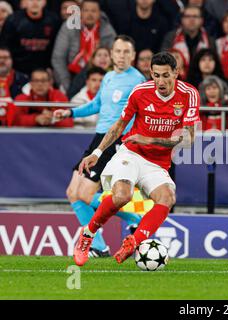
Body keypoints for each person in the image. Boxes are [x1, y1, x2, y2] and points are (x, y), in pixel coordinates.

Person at [72, 51, 200, 266]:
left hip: (158, 162)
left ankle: (134, 241)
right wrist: (97, 152)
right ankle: (88, 234)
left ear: (176, 73)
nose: (161, 81)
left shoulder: (189, 94)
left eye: (166, 75)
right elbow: (120, 126)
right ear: (151, 73)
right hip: (130, 154)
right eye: (156, 75)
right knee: (123, 196)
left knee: (167, 198)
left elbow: (188, 139)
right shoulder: (140, 92)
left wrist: (150, 140)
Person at [53, 35, 146, 257]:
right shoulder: (109, 77)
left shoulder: (138, 80)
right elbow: (97, 104)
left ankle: (135, 218)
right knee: (72, 193)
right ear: (112, 54)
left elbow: (143, 112)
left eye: (126, 52)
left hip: (117, 140)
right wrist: (70, 112)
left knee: (84, 194)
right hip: (99, 138)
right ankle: (100, 246)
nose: (121, 56)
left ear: (133, 56)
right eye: (118, 51)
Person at [51, 0, 116, 92]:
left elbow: (114, 57)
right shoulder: (69, 26)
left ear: (99, 13)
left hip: (100, 75)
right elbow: (58, 58)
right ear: (80, 12)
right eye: (86, 10)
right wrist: (66, 83)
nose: (90, 14)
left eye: (93, 11)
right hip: (72, 74)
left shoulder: (107, 29)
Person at [0, 0, 60, 75]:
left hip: (45, 71)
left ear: (45, 2)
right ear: (24, 2)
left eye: (38, 0)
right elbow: (5, 47)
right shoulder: (13, 20)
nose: (35, 3)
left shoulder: (54, 20)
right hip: (18, 70)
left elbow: (57, 50)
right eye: (31, 0)